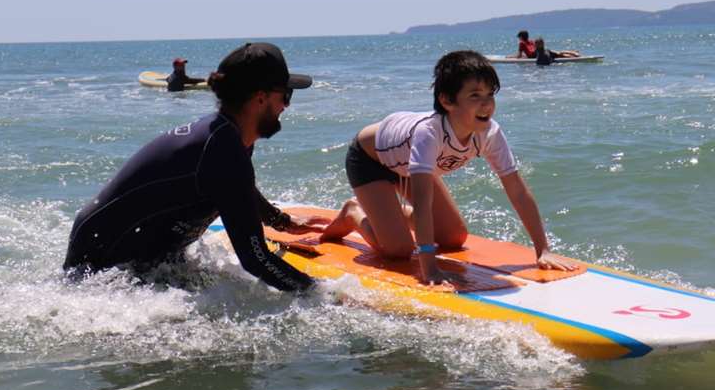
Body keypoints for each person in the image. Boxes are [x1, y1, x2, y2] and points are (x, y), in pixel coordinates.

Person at [64, 42, 325, 292]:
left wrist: (280, 221)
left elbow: (238, 189)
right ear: (260, 98)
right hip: (102, 262)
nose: (286, 106)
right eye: (286, 95)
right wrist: (324, 294)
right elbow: (255, 259)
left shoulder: (230, 137)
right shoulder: (223, 149)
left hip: (138, 251)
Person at [320, 50, 575, 285]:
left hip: (409, 164)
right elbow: (422, 202)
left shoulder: (489, 133)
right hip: (370, 160)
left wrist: (543, 250)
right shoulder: (429, 134)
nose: (486, 104)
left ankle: (391, 215)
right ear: (447, 101)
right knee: (399, 251)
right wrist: (429, 269)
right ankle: (354, 212)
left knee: (454, 237)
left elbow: (517, 190)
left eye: (490, 95)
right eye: (475, 96)